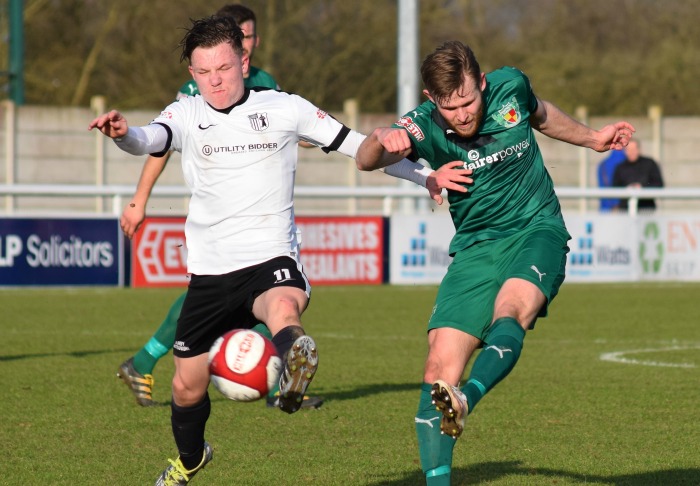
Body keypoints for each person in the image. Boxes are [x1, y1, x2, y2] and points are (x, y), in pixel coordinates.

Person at [90, 17, 465, 485]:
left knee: (283, 306)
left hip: (270, 256)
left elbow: (357, 147)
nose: (216, 80)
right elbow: (149, 138)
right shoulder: (184, 112)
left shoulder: (285, 108)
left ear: (243, 61)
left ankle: (294, 357)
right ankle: (190, 459)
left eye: (224, 68)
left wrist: (424, 175)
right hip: (209, 273)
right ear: (192, 71)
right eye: (204, 72)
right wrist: (123, 132)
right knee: (186, 387)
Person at [355, 40, 635, 486]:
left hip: (536, 229)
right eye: (450, 108)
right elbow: (365, 161)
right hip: (475, 249)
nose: (462, 114)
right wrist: (378, 140)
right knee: (436, 371)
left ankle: (467, 398)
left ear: (483, 83)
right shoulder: (423, 124)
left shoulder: (512, 86)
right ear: (432, 101)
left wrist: (593, 138)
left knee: (511, 309)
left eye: (468, 100)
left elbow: (541, 114)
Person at [116, 3, 316, 410]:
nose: (249, 43)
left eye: (252, 36)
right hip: (217, 221)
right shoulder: (199, 90)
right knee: (210, 297)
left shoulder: (266, 83)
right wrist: (139, 200)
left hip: (260, 224)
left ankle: (278, 381)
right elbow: (161, 141)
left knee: (268, 296)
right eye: (241, 35)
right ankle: (145, 360)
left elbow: (281, 127)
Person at [612, 138, 664, 212]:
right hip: (625, 211)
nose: (631, 152)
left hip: (647, 209)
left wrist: (642, 187)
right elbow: (614, 188)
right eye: (629, 149)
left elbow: (659, 184)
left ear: (639, 149)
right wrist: (627, 189)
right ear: (625, 151)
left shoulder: (650, 163)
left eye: (634, 149)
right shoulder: (620, 168)